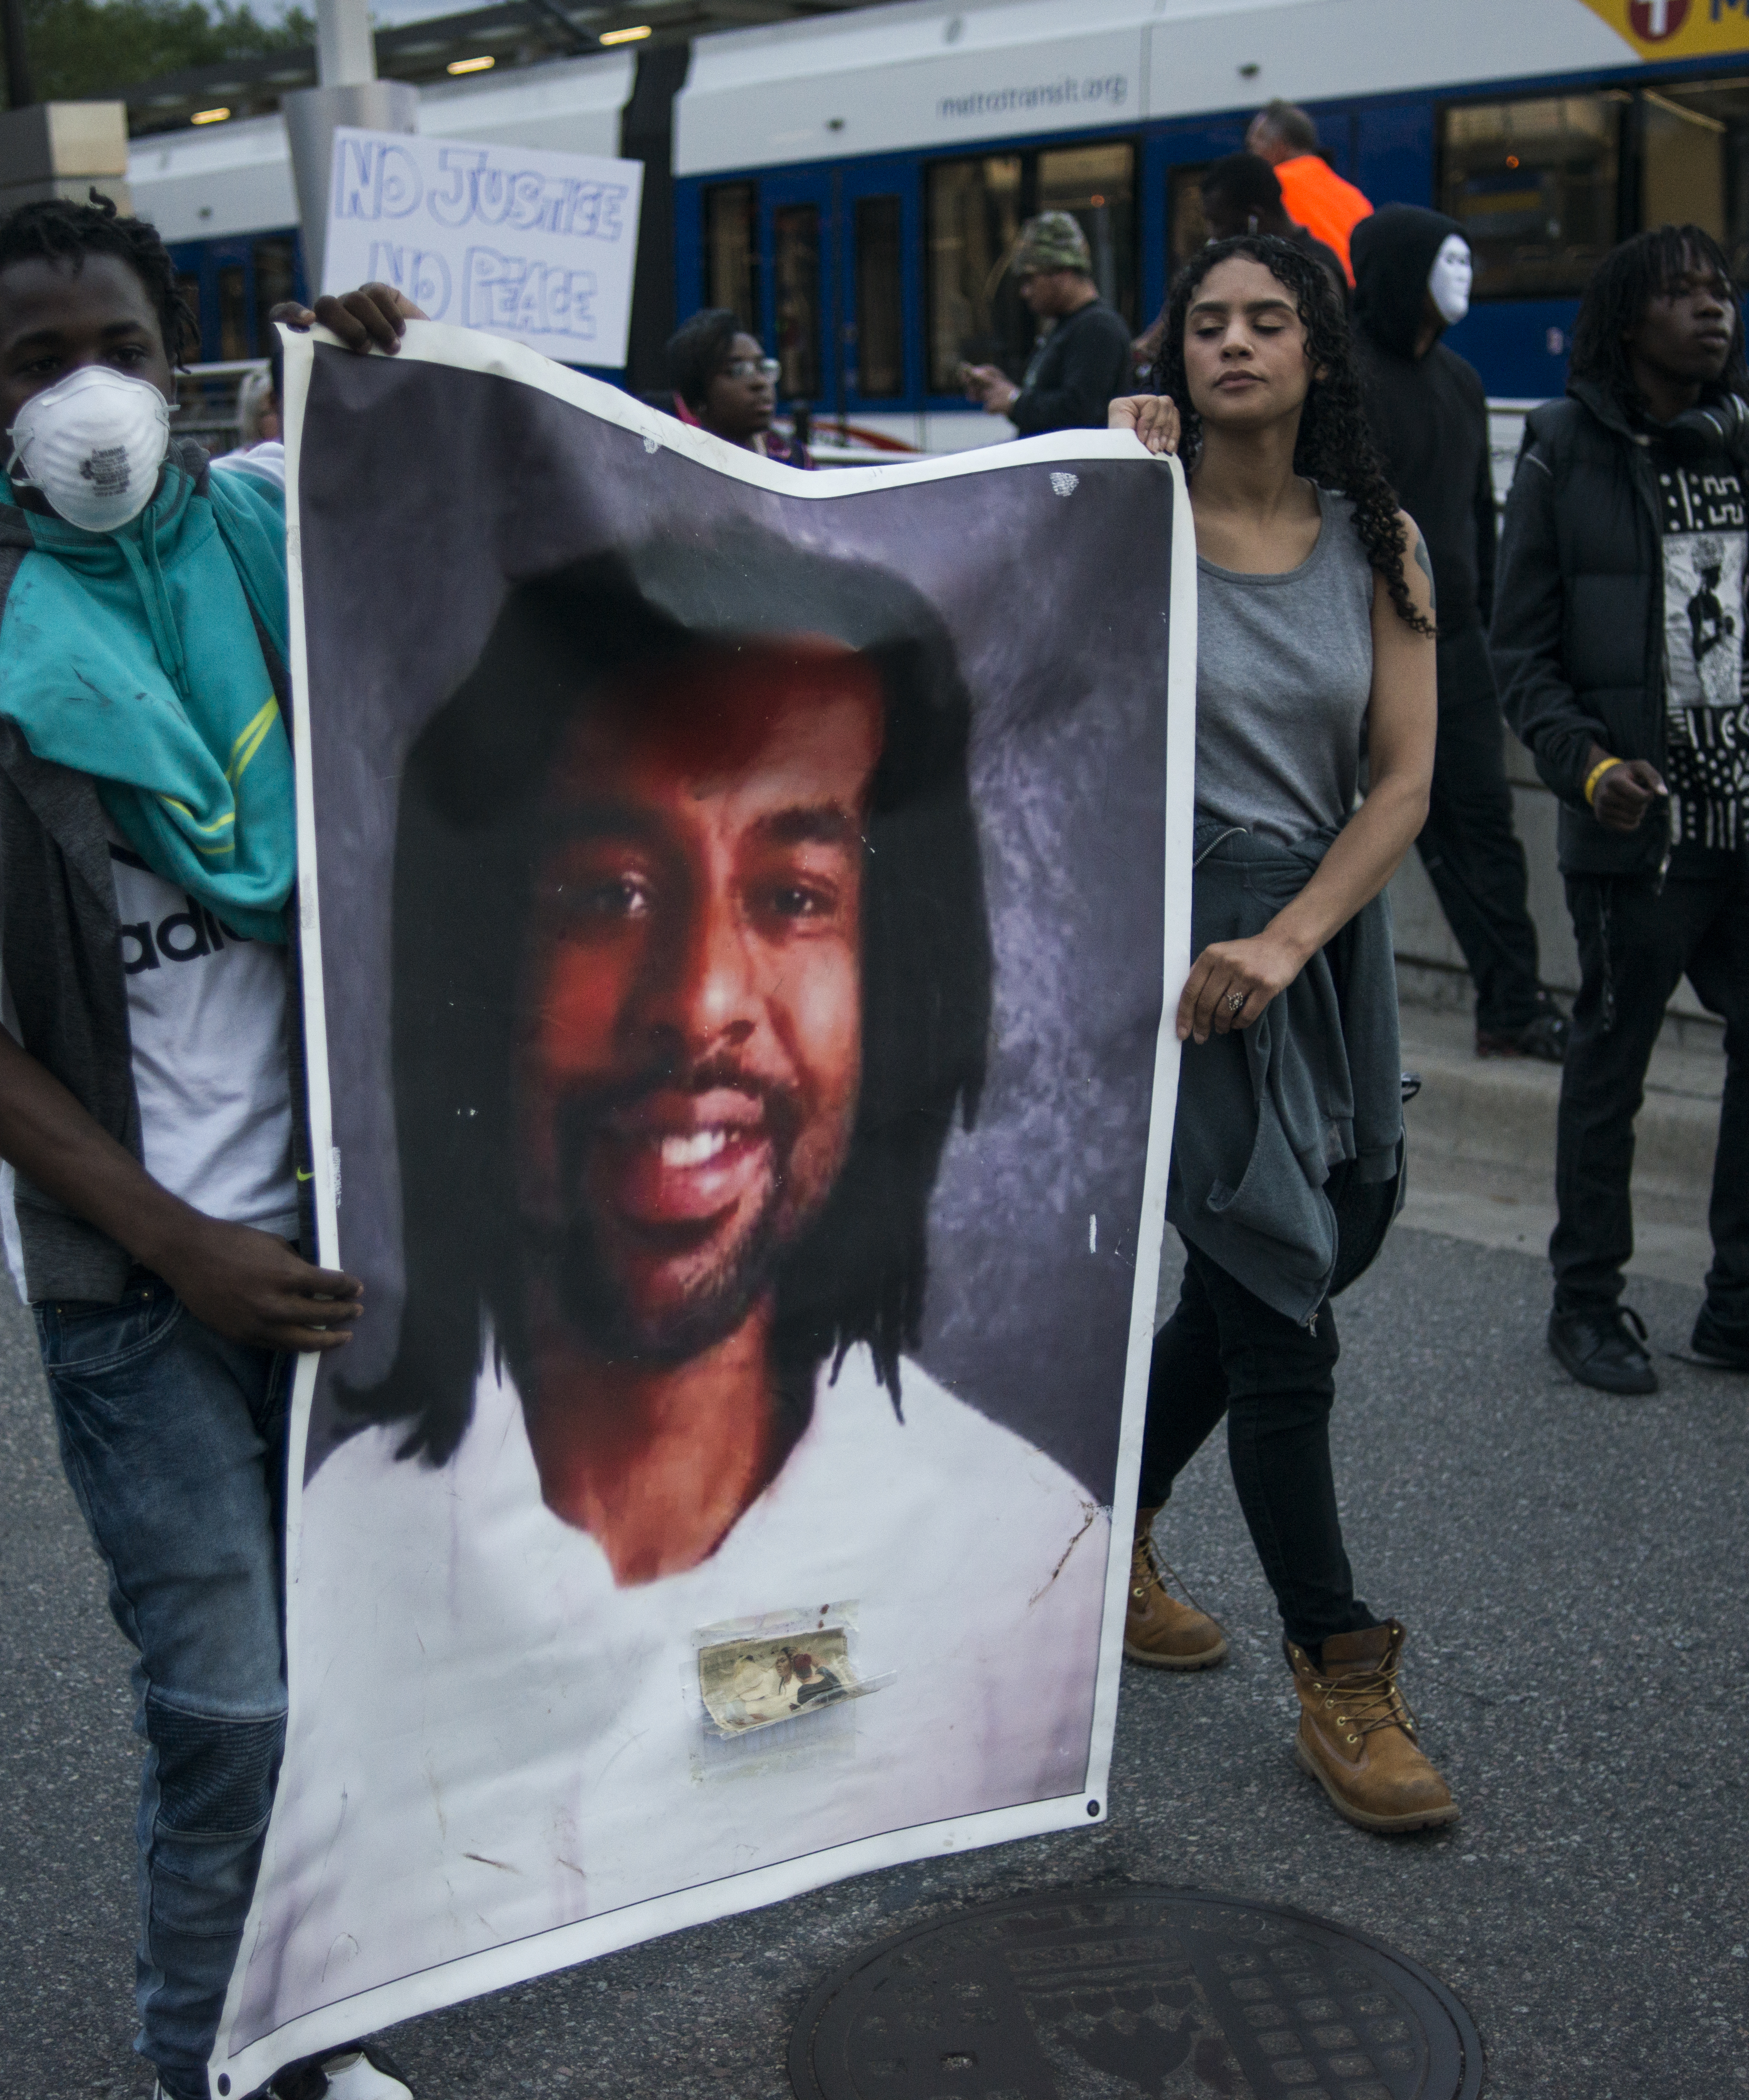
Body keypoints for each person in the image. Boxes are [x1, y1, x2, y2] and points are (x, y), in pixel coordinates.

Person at [233, 528, 1102, 2023]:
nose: (701, 1003)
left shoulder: (1025, 1578)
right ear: (480, 957)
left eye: (798, 896)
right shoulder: (330, 1544)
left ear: (904, 977)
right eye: (605, 893)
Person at [0, 192, 420, 2100]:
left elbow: (507, 550)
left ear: (190, 365)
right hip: (139, 1280)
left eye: (127, 353)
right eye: (35, 360)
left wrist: (391, 399)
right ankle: (198, 2060)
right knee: (227, 1700)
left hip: (346, 1227)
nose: (92, 397)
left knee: (346, 1679)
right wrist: (176, 1241)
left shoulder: (271, 551)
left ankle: (313, 2032)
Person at [1107, 235, 1452, 1836]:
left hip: (1317, 937)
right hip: (1181, 950)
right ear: (1171, 352)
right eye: (1208, 322)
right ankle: (1341, 1669)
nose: (1235, 343)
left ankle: (1104, 1527)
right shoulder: (1119, 516)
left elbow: (1403, 784)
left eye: (1270, 319)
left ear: (1319, 350)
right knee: (1276, 1317)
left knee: (1340, 1226)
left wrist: (1293, 935)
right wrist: (1092, 490)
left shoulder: (1381, 542)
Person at [1490, 224, 1749, 1398]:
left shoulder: (1741, 445)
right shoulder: (1565, 446)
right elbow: (1520, 652)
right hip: (1639, 834)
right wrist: (1587, 769)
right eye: (1682, 294)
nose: (1712, 310)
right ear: (1628, 321)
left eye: (1721, 291)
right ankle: (1587, 1303)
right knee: (1611, 1064)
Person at [1350, 206, 1565, 1061]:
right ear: (1403, 270)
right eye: (1448, 261)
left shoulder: (1462, 382)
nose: (1465, 278)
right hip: (1368, 644)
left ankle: (1510, 1001)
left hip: (1459, 641)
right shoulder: (1342, 381)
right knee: (1397, 827)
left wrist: (1491, 627)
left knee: (1483, 821)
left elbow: (1478, 518)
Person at [960, 212, 1134, 434]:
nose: (1024, 292)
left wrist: (1015, 401)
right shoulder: (1069, 326)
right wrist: (1002, 387)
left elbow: (1081, 413)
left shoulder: (1098, 328)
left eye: (1029, 279)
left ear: (1061, 272)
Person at [661, 307, 810, 463]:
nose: (760, 382)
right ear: (699, 393)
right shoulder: (681, 465)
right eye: (738, 371)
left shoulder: (794, 458)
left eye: (762, 367)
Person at [1247, 100, 1373, 276]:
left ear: (1279, 145)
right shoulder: (1352, 194)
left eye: (1254, 146)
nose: (1253, 155)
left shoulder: (1270, 187)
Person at [1199, 154, 1349, 289]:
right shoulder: (1310, 259)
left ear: (1254, 218)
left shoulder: (1312, 270)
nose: (1211, 234)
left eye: (1217, 223)